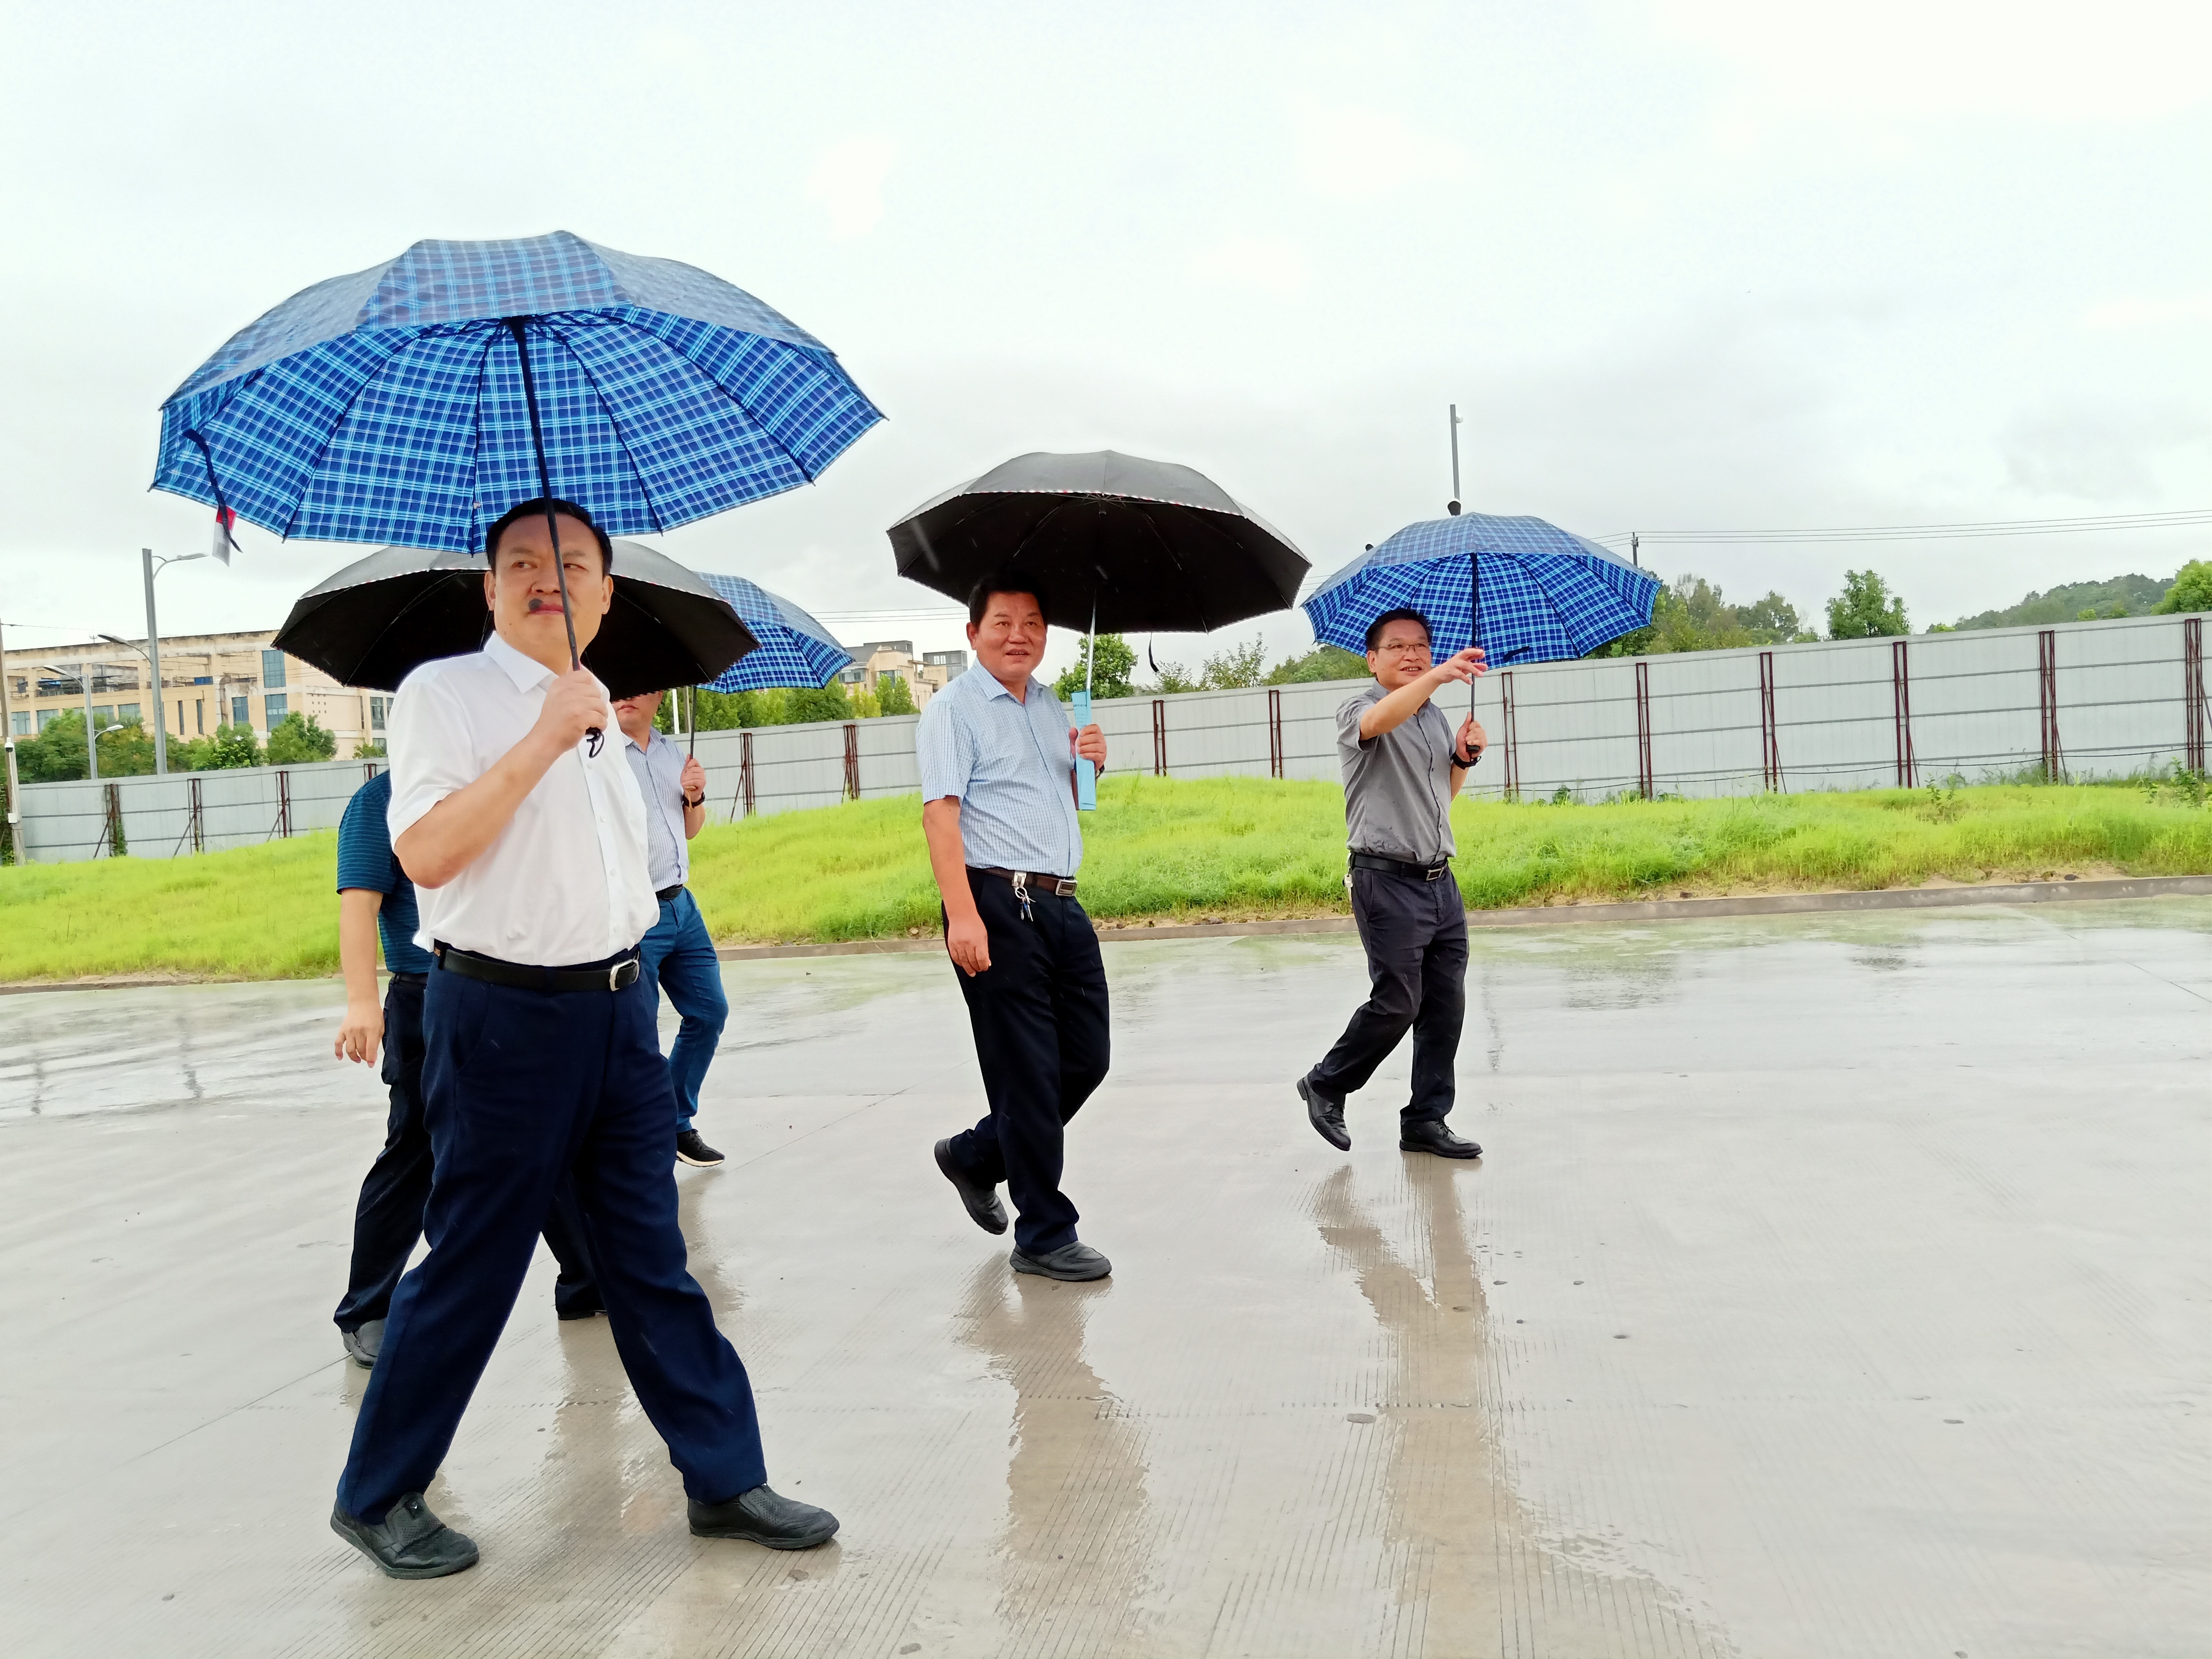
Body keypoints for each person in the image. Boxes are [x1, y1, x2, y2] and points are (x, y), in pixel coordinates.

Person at [330, 497, 835, 1580]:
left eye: (570, 563)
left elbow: (618, 870)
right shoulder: (447, 696)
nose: (544, 577)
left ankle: (724, 1477)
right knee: (473, 1260)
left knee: (651, 1261)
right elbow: (424, 854)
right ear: (489, 590)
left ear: (606, 592)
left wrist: (591, 738)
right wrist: (542, 736)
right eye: (519, 563)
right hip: (504, 1016)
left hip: (614, 1013)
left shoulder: (602, 704)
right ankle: (377, 1495)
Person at [331, 770, 603, 1369]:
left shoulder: (494, 787)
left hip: (512, 988)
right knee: (417, 1151)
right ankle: (368, 1309)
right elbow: (360, 903)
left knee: (542, 1138)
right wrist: (361, 1003)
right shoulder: (381, 801)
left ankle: (587, 1281)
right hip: (426, 993)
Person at [916, 576, 1114, 1283]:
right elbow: (941, 815)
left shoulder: (1053, 704)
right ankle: (1043, 1234)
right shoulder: (953, 710)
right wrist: (963, 915)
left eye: (1032, 621)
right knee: (1026, 1075)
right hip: (995, 902)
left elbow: (1050, 801)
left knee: (1086, 1060)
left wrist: (1090, 762)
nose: (1018, 634)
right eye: (1002, 622)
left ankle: (976, 1155)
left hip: (1060, 902)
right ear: (973, 634)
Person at [1295, 607, 1488, 1160]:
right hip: (1385, 879)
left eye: (1422, 647)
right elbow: (1378, 723)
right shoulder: (1358, 707)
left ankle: (1427, 1120)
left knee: (1445, 1005)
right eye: (1399, 647)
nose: (1413, 655)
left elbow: (1440, 799)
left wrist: (1462, 757)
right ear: (1372, 658)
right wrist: (1435, 677)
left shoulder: (1433, 717)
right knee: (1398, 1001)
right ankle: (1326, 1083)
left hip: (1438, 881)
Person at [610, 690, 728, 1168]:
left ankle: (675, 1121)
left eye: (640, 687)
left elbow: (691, 828)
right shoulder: (597, 759)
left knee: (709, 1012)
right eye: (617, 688)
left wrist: (695, 796)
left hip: (682, 905)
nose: (626, 698)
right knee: (638, 1033)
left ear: (660, 695)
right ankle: (641, 1138)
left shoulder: (672, 753)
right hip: (635, 915)